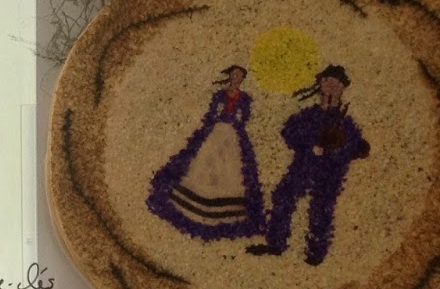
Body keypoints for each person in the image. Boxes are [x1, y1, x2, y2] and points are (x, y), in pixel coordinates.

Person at [247, 64, 369, 265]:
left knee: (321, 208)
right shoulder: (310, 114)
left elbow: (356, 146)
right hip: (303, 165)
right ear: (321, 84)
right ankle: (276, 242)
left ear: (343, 89)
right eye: (328, 82)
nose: (331, 87)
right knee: (284, 195)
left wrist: (332, 152)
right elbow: (288, 131)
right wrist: (309, 145)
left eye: (337, 84)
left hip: (329, 172)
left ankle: (316, 252)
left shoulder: (345, 122)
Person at [147, 65, 264, 238]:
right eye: (235, 74)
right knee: (203, 161)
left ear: (242, 79)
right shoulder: (220, 94)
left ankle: (225, 210)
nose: (236, 77)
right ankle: (191, 201)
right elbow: (212, 112)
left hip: (233, 134)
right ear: (230, 75)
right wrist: (218, 118)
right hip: (216, 131)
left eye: (240, 75)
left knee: (230, 168)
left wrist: (236, 120)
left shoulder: (245, 98)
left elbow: (244, 117)